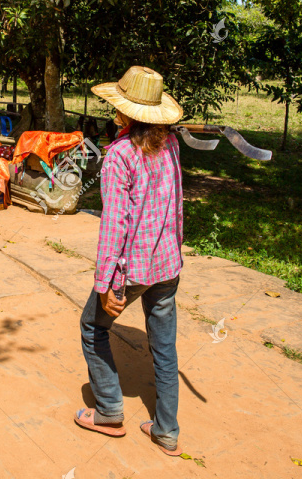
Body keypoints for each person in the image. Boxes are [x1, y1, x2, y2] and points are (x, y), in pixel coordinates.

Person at [74, 65, 185, 456]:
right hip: (168, 264)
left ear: (124, 113)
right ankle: (167, 431)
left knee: (92, 327)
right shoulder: (170, 144)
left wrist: (107, 284)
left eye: (116, 107)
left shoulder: (120, 155)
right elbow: (172, 205)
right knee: (165, 347)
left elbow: (115, 227)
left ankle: (107, 411)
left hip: (134, 269)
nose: (113, 113)